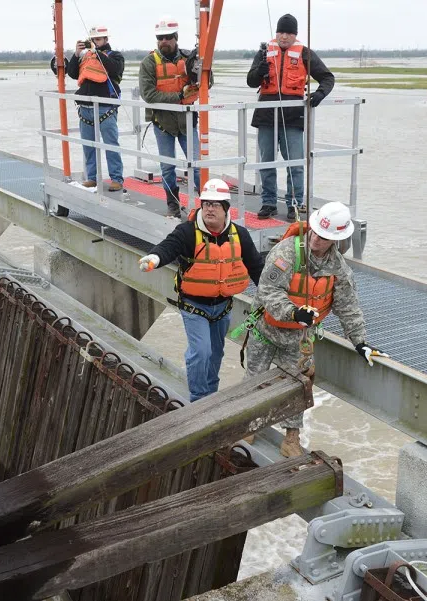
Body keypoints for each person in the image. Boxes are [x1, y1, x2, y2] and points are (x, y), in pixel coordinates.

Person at [237, 203, 387, 457]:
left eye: (325, 237)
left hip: (299, 337)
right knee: (255, 379)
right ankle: (247, 426)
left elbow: (347, 305)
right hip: (266, 330)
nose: (317, 240)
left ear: (335, 240)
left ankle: (291, 439)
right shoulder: (285, 253)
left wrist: (360, 342)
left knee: (299, 385)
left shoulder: (338, 268)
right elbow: (268, 291)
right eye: (316, 233)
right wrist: (294, 312)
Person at [138, 179, 264, 401]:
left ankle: (210, 395)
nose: (209, 208)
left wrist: (274, 295)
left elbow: (256, 268)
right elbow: (169, 246)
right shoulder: (187, 232)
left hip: (223, 307)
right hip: (194, 306)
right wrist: (154, 258)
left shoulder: (240, 235)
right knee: (201, 352)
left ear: (226, 209)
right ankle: (198, 399)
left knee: (215, 354)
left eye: (215, 204)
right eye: (206, 203)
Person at [247, 14, 335, 222]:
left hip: (293, 115)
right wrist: (258, 73)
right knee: (265, 161)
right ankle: (268, 202)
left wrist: (320, 94)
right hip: (267, 113)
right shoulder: (263, 53)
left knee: (295, 163)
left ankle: (294, 204)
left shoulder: (305, 54)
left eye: (289, 33)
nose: (284, 37)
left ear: (295, 35)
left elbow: (327, 77)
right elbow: (251, 82)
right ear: (276, 33)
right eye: (281, 32)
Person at [138, 16, 210, 218]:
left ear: (176, 38)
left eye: (168, 37)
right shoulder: (149, 62)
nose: (164, 41)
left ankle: (207, 205)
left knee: (197, 166)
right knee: (168, 168)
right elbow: (149, 94)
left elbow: (208, 82)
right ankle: (172, 204)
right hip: (163, 124)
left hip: (187, 122)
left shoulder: (189, 58)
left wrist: (201, 70)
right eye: (160, 38)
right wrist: (179, 95)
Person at [66, 25, 125, 191]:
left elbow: (115, 69)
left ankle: (116, 178)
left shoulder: (115, 56)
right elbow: (72, 73)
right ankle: (92, 177)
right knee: (88, 145)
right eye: (92, 40)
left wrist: (97, 52)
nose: (94, 42)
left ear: (106, 39)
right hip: (85, 107)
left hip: (106, 108)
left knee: (110, 144)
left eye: (97, 39)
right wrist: (77, 54)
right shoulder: (86, 57)